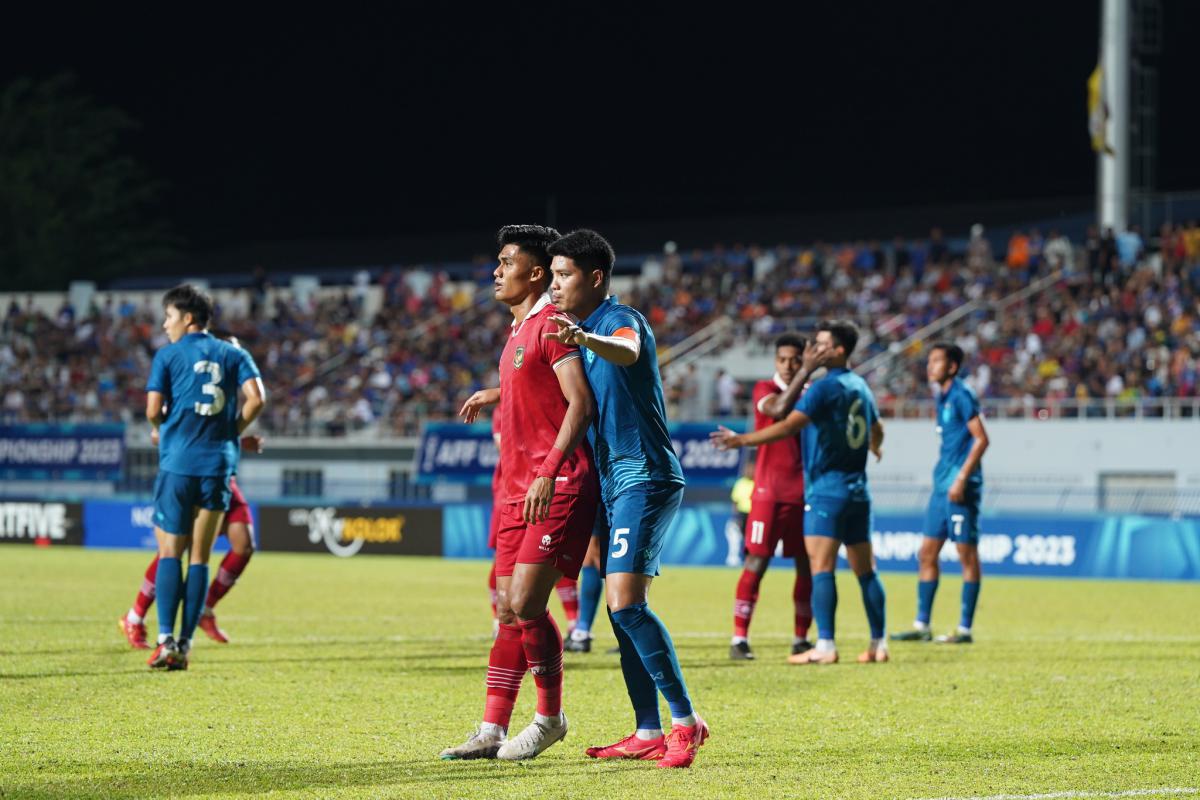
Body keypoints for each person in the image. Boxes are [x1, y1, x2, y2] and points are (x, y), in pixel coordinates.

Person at [545, 228, 708, 769]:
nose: (555, 284)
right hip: (613, 483)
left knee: (626, 604)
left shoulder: (619, 320)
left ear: (595, 278)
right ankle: (646, 729)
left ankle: (686, 722)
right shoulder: (580, 334)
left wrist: (585, 339)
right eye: (552, 275)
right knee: (622, 614)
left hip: (646, 475)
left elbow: (628, 349)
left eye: (564, 274)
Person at [442, 225, 599, 762]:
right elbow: (532, 384)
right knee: (509, 611)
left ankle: (550, 718)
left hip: (554, 484)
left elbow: (580, 404)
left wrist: (549, 471)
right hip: (514, 490)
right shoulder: (517, 333)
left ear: (535, 274)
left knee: (528, 603)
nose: (496, 270)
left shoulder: (552, 324)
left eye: (506, 262)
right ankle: (491, 729)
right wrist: (496, 392)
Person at [712, 319, 888, 666]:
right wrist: (875, 446)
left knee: (818, 568)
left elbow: (785, 422)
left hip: (822, 492)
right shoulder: (859, 385)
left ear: (837, 350)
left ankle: (821, 643)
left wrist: (741, 440)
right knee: (865, 570)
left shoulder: (820, 388)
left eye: (818, 346)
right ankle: (878, 643)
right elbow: (876, 427)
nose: (809, 353)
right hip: (847, 490)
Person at [144, 284, 265, 670]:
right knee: (200, 557)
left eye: (169, 317)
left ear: (188, 318)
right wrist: (232, 429)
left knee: (170, 553)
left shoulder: (168, 355)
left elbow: (152, 410)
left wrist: (163, 429)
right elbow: (257, 398)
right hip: (217, 465)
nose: (165, 325)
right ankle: (185, 644)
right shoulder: (234, 353)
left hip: (178, 464)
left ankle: (164, 639)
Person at [120, 333, 263, 649]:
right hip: (190, 474)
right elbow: (161, 432)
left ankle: (204, 609)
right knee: (177, 551)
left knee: (243, 544)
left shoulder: (224, 395)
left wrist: (238, 441)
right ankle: (135, 616)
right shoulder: (190, 380)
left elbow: (217, 431)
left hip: (222, 477)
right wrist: (236, 438)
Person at [892, 343, 989, 645]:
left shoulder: (961, 395)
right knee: (926, 554)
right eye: (930, 360)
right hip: (941, 489)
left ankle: (964, 629)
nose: (929, 366)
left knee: (966, 556)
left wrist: (961, 479)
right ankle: (922, 625)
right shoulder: (942, 396)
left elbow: (981, 439)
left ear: (952, 367)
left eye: (936, 361)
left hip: (961, 488)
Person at [729, 333, 814, 662]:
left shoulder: (813, 392)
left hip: (806, 493)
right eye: (783, 360)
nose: (789, 366)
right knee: (757, 561)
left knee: (807, 567)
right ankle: (739, 639)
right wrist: (806, 374)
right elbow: (778, 409)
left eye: (796, 360)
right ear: (775, 361)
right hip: (769, 493)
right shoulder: (765, 389)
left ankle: (801, 639)